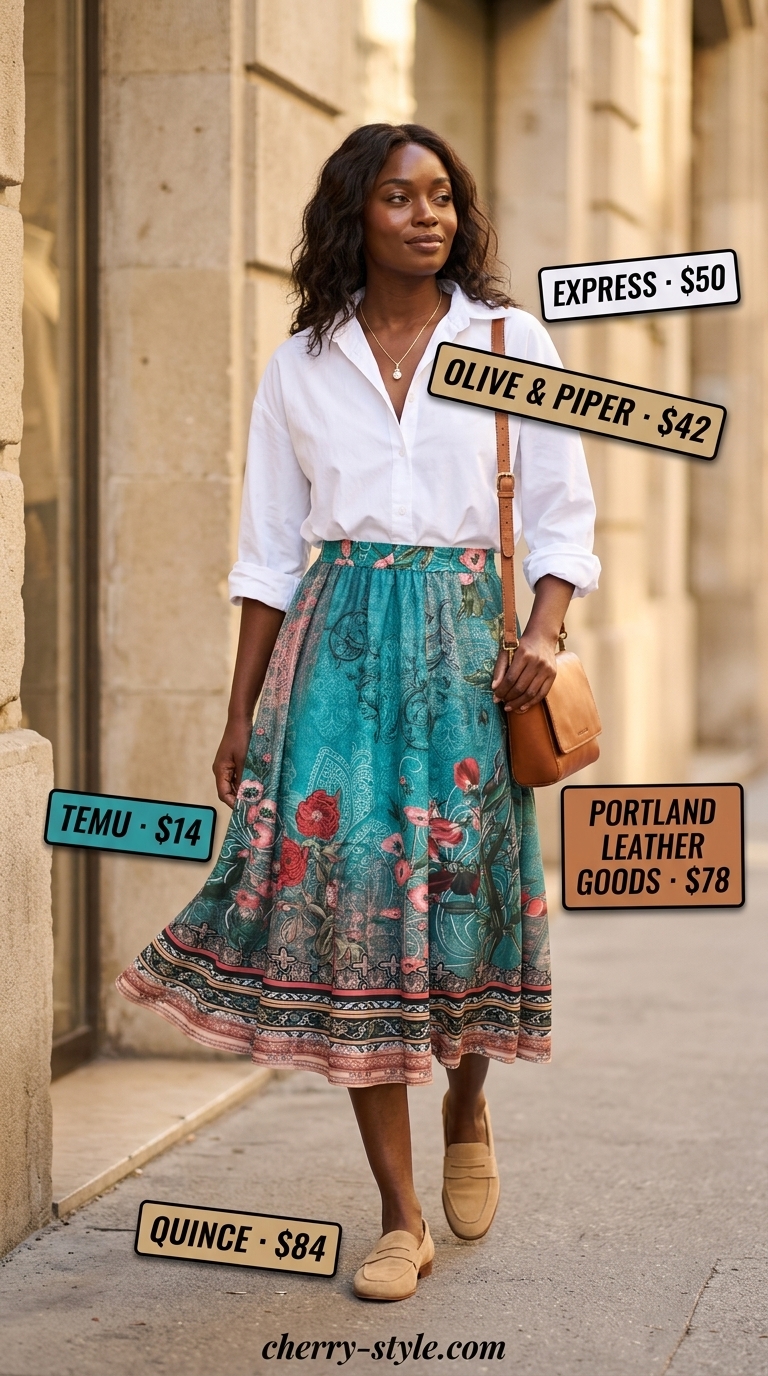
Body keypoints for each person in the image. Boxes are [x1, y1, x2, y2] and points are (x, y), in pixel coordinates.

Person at [117, 123, 599, 1302]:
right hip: (332, 657)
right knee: (356, 927)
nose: (427, 216)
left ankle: (468, 1102)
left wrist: (542, 636)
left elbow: (565, 513)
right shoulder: (302, 362)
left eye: (442, 197)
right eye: (399, 196)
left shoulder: (508, 341)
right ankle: (399, 1215)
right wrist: (239, 713)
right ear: (355, 213)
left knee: (467, 911)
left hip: (468, 662)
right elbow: (266, 554)